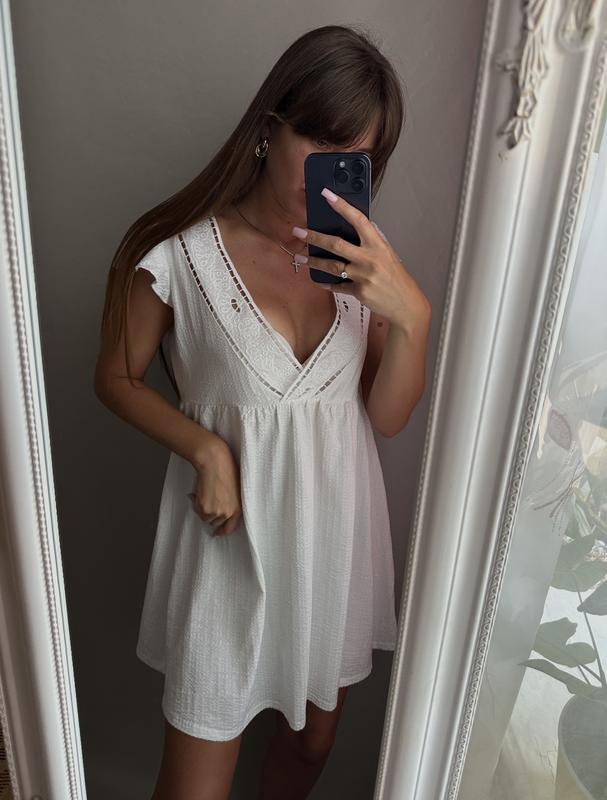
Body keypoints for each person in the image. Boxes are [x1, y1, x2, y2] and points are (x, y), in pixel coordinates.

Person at [94, 22, 430, 800]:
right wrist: (205, 449)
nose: (331, 173)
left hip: (331, 545)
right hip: (226, 551)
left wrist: (411, 316)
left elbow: (385, 417)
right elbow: (114, 377)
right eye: (319, 142)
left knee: (310, 747)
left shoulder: (362, 262)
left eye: (355, 158)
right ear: (269, 128)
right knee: (195, 784)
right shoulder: (180, 254)